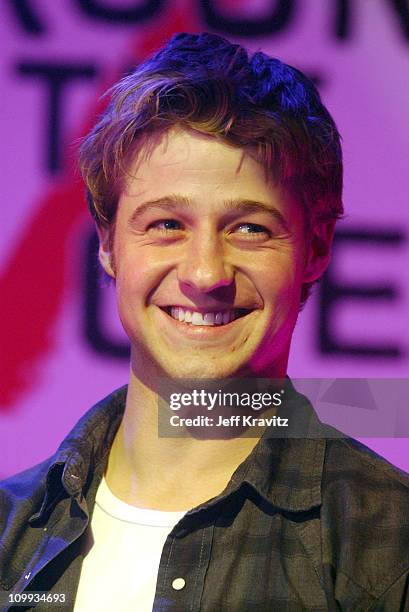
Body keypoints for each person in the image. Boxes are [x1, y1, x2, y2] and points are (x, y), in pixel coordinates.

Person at [0, 32, 408, 612]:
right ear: (109, 245)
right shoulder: (8, 530)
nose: (205, 272)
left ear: (315, 250)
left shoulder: (388, 542)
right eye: (167, 224)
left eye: (250, 228)